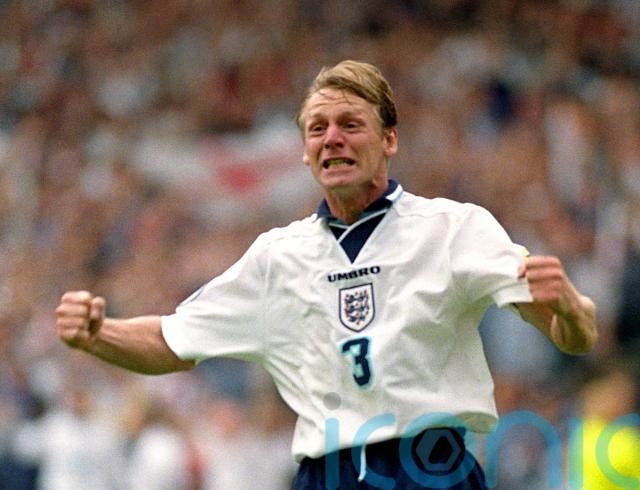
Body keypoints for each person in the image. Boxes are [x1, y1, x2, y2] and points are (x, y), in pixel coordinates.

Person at [56, 60, 597, 489]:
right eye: (318, 129)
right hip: (326, 476)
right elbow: (171, 341)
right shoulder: (276, 258)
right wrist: (98, 335)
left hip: (431, 471)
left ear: (389, 139)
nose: (332, 138)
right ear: (306, 153)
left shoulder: (455, 228)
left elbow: (573, 334)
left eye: (350, 125)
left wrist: (570, 309)